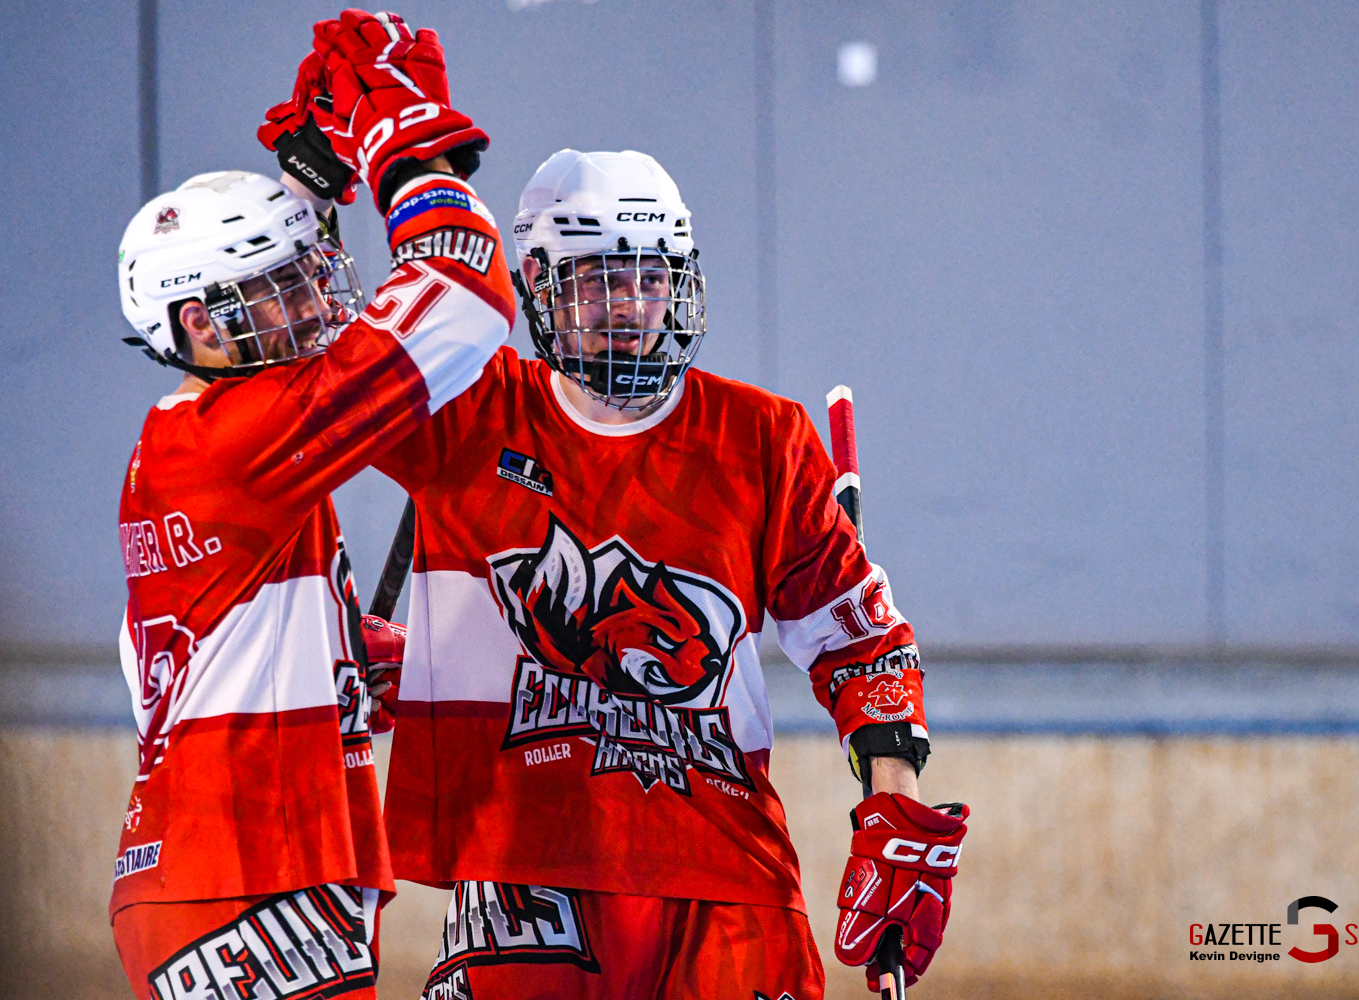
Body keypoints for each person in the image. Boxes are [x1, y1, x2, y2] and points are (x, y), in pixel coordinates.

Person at [373, 147, 970, 999]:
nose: (629, 305)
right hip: (528, 874)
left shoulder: (760, 437)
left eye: (651, 278)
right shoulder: (467, 408)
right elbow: (293, 401)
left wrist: (895, 812)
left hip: (727, 875)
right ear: (537, 285)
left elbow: (863, 644)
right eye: (598, 280)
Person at [108, 12, 512, 997]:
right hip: (246, 878)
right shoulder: (238, 435)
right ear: (200, 322)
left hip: (236, 872)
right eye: (275, 288)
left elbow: (173, 656)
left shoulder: (196, 434)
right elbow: (461, 291)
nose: (310, 300)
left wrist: (313, 182)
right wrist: (402, 146)